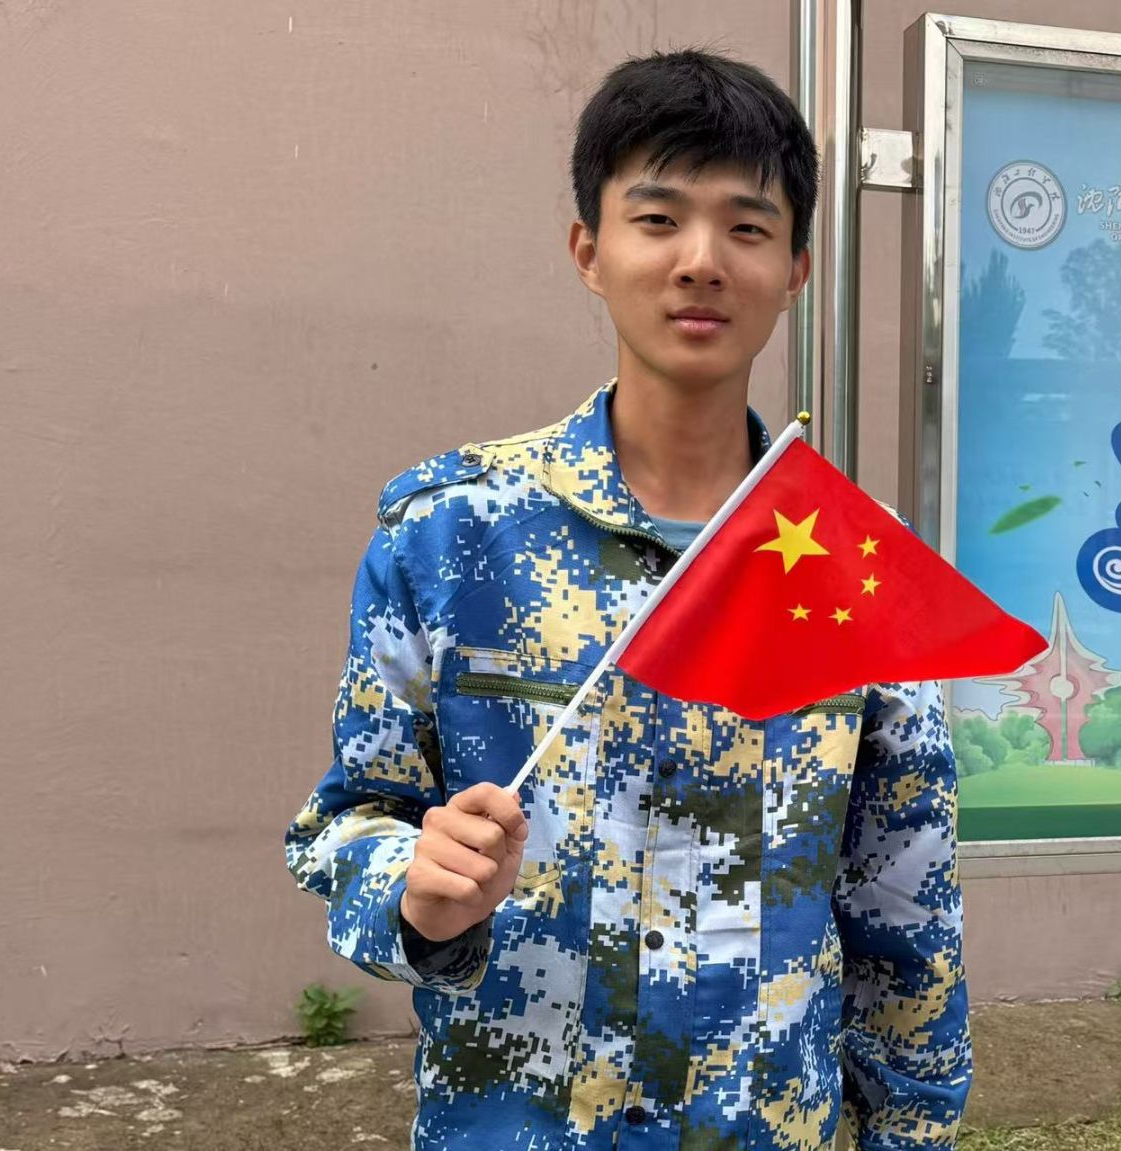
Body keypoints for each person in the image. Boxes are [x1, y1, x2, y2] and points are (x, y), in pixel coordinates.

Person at [285, 48, 969, 1150]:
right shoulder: (452, 537)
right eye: (657, 219)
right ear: (589, 252)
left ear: (795, 268)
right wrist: (412, 886)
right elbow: (345, 820)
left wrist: (913, 1128)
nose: (701, 261)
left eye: (746, 227)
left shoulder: (853, 569)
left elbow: (906, 910)